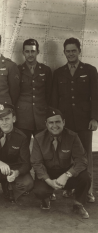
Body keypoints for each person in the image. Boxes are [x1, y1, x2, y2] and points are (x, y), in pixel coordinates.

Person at [51, 37, 98, 202]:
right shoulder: (59, 73)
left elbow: (95, 96)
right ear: (64, 53)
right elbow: (55, 101)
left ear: (79, 51)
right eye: (68, 51)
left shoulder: (90, 70)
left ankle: (88, 190)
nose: (70, 54)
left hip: (85, 122)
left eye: (73, 50)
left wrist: (94, 118)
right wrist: (56, 123)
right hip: (66, 123)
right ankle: (69, 188)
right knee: (67, 156)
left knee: (86, 156)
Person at [31, 107, 91, 219]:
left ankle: (78, 204)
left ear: (63, 122)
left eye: (58, 122)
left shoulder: (73, 136)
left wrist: (67, 175)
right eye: (51, 122)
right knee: (40, 191)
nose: (54, 125)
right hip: (48, 174)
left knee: (85, 177)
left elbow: (82, 160)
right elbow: (37, 163)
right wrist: (49, 181)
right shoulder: (38, 139)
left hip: (66, 174)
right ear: (46, 124)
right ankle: (46, 197)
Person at [16, 39, 52, 141]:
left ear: (38, 52)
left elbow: (49, 94)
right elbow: (14, 93)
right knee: (22, 151)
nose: (30, 54)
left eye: (33, 51)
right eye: (27, 51)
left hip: (41, 117)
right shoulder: (17, 70)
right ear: (23, 53)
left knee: (43, 148)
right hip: (23, 117)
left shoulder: (46, 70)